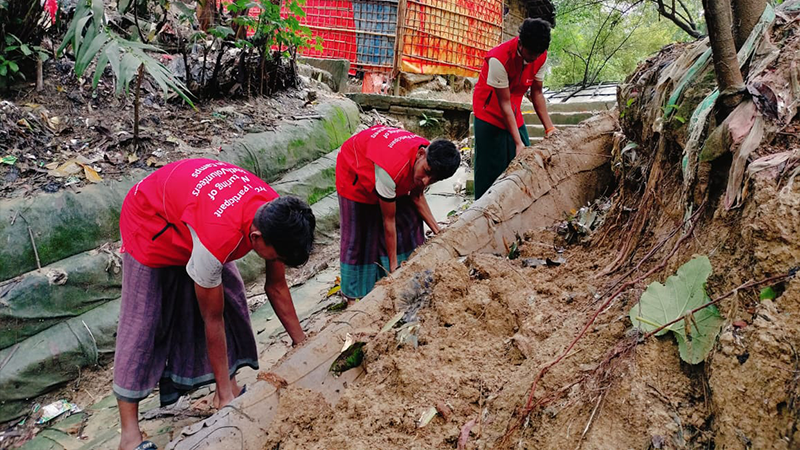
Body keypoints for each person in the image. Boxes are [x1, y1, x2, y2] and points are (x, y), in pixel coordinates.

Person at [114, 158, 315, 450]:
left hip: (190, 213)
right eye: (276, 258)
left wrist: (302, 344)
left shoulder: (275, 212)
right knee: (144, 319)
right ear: (256, 238)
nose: (277, 264)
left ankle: (227, 386)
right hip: (148, 221)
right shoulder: (218, 238)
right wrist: (227, 404)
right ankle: (129, 436)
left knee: (231, 297)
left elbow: (277, 286)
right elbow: (212, 319)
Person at [335, 126, 460, 299]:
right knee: (361, 237)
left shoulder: (428, 158)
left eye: (433, 179)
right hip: (355, 172)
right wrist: (393, 269)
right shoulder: (392, 170)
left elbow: (417, 197)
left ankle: (408, 272)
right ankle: (354, 295)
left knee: (409, 222)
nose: (425, 181)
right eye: (426, 173)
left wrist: (440, 233)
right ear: (421, 154)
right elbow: (389, 221)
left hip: (387, 168)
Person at [472, 18, 556, 200]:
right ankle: (484, 209)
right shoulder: (498, 59)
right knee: (489, 169)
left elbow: (537, 93)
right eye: (531, 52)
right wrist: (518, 143)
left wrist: (550, 128)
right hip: (489, 112)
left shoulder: (540, 55)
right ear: (521, 43)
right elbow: (503, 103)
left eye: (538, 53)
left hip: (514, 109)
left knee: (524, 161)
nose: (534, 57)